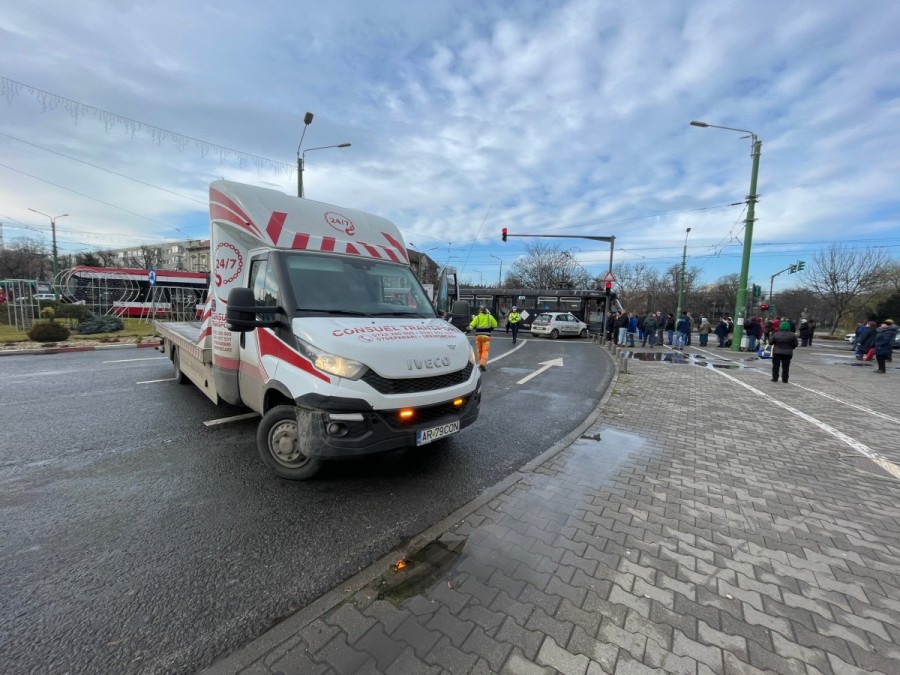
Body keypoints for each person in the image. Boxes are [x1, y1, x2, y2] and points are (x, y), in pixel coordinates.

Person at [467, 305, 498, 371]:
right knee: (485, 350)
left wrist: (468, 329)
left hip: (478, 337)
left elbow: (471, 325)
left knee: (479, 350)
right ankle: (482, 363)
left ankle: (480, 362)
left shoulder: (477, 317)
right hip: (486, 337)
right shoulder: (490, 317)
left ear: (480, 311)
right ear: (486, 311)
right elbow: (495, 325)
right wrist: (491, 327)